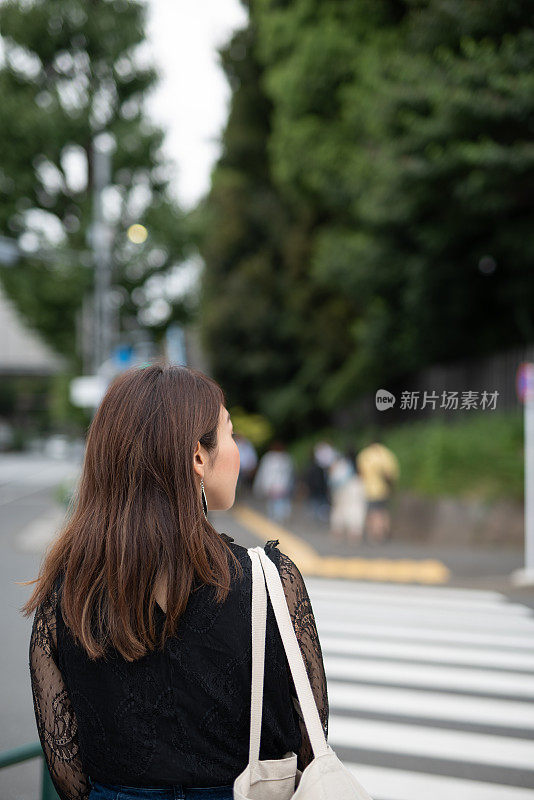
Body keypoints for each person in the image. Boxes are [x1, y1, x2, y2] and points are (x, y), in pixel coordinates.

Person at [19, 362, 328, 800]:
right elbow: (312, 739)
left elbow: (67, 772)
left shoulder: (68, 593)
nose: (237, 448)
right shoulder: (269, 581)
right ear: (198, 457)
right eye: (230, 432)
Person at [356, 434, 400, 543]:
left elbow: (360, 473)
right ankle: (385, 531)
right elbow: (392, 473)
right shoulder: (387, 454)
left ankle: (375, 534)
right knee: (383, 511)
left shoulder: (365, 454)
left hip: (369, 489)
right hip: (384, 489)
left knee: (373, 512)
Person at [327, 449, 366, 544]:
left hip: (340, 491)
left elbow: (332, 480)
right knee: (356, 511)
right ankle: (354, 535)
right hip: (356, 489)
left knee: (338, 511)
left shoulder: (339, 465)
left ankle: (338, 532)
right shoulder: (360, 463)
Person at [252, 440, 295, 523]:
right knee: (276, 502)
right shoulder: (277, 458)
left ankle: (277, 517)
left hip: (277, 485)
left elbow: (263, 473)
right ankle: (278, 517)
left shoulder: (280, 458)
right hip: (277, 485)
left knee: (276, 502)